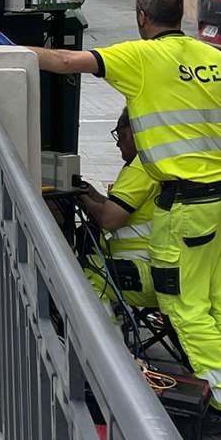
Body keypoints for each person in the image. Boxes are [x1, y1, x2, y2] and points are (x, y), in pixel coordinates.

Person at [0, 0, 221, 432]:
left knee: (184, 304)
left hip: (188, 202)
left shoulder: (141, 57)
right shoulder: (215, 57)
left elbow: (66, 61)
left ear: (142, 18)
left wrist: (1, 46)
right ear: (180, 14)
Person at [75, 109, 159, 312]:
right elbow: (125, 210)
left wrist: (82, 197)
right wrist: (94, 196)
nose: (118, 143)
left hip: (145, 270)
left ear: (132, 132)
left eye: (119, 135)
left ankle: (105, 341)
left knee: (82, 274)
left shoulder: (142, 167)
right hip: (167, 269)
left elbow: (109, 219)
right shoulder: (161, 159)